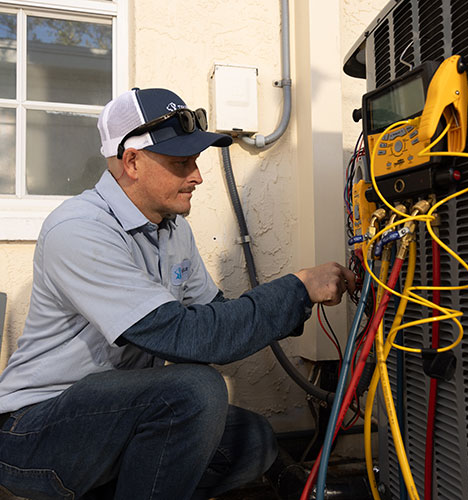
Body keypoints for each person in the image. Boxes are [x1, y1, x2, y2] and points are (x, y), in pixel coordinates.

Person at [0, 88, 355, 499]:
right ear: (131, 161)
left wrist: (300, 300)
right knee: (196, 391)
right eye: (180, 163)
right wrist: (296, 288)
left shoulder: (171, 228)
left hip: (121, 418)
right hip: (34, 432)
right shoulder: (80, 229)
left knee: (252, 437)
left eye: (196, 161)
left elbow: (217, 318)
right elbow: (188, 337)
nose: (197, 176)